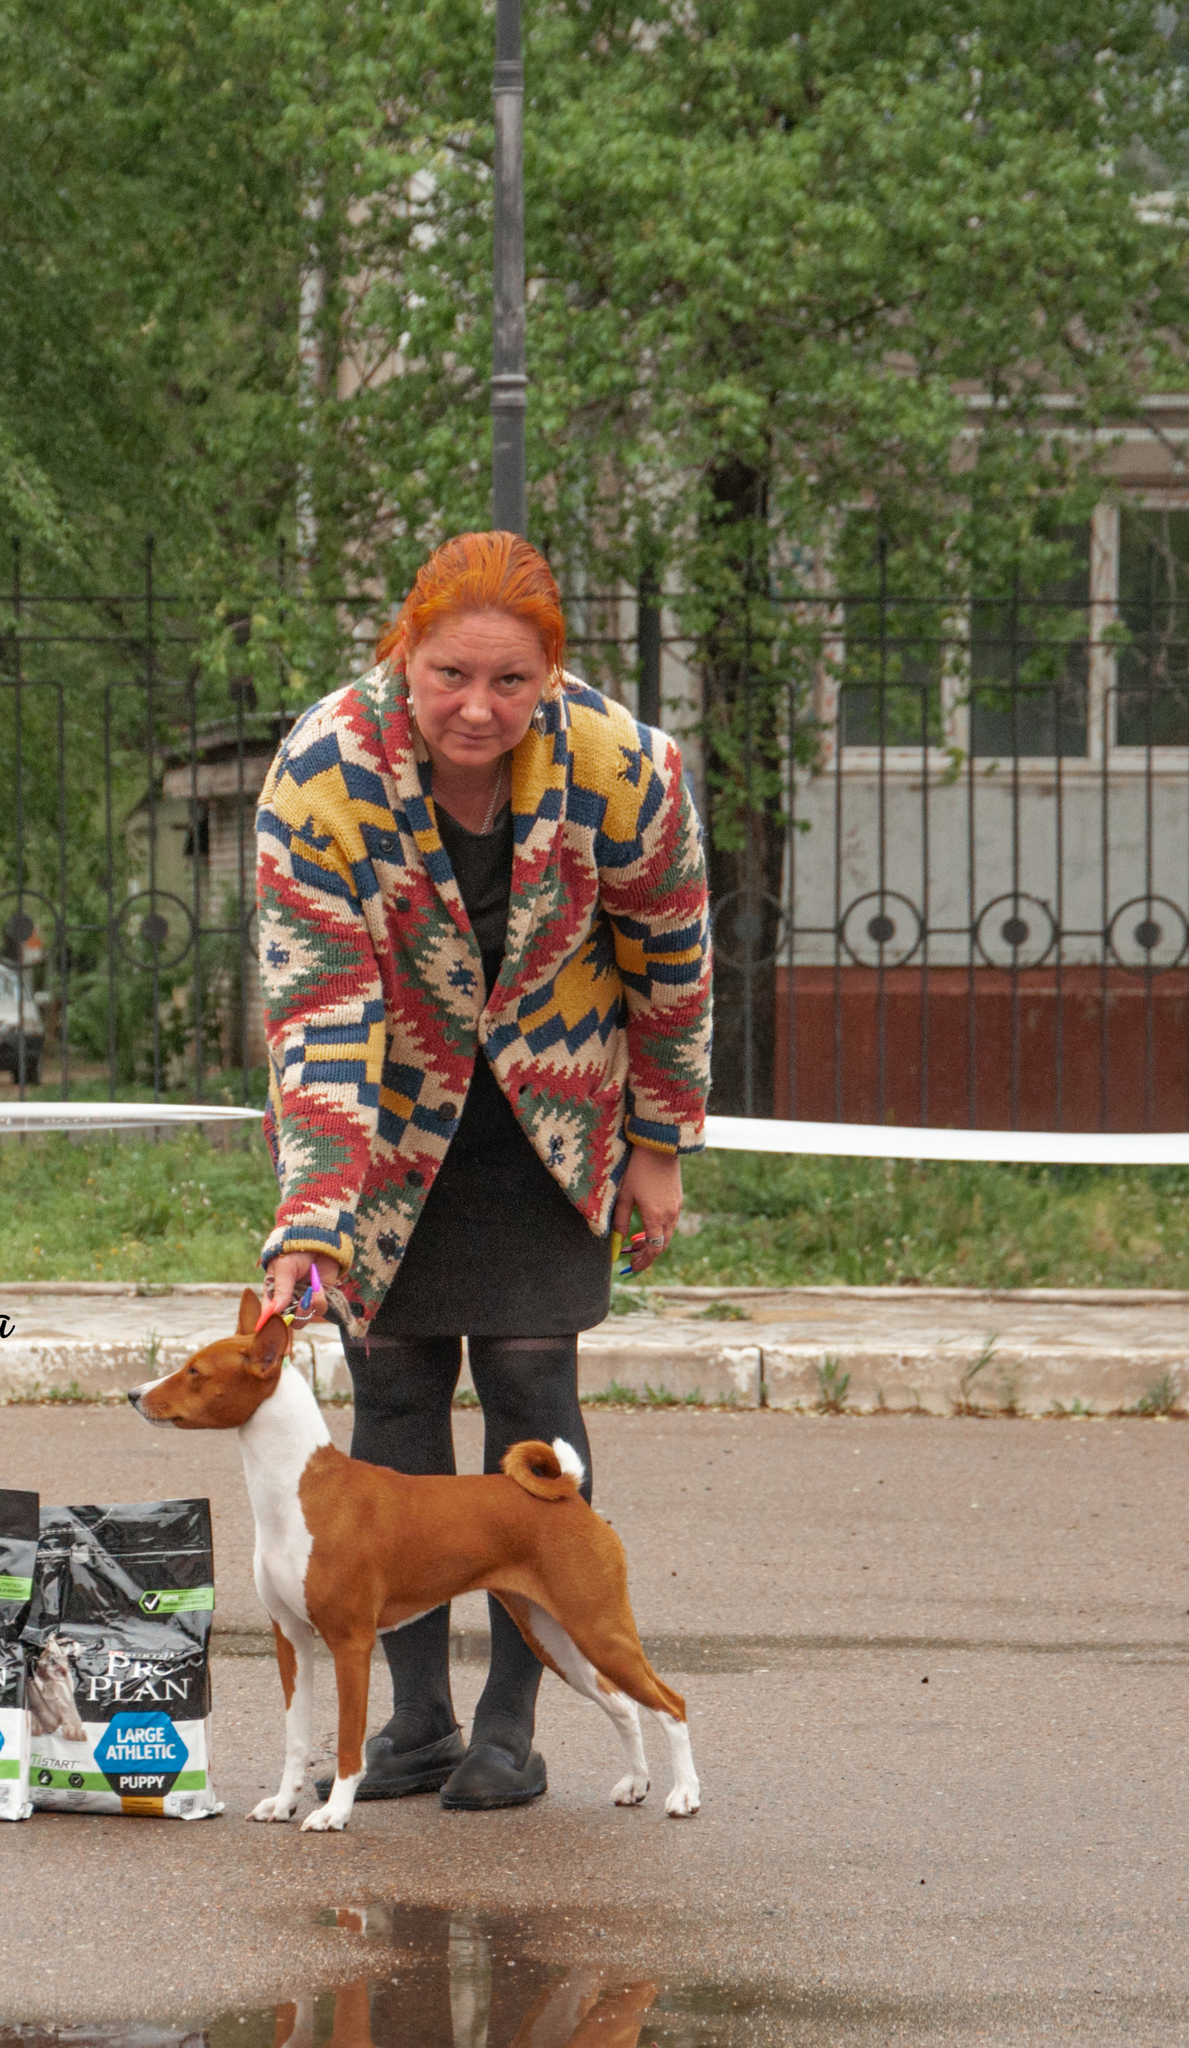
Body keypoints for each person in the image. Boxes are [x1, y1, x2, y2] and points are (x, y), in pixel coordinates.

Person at [253, 530, 711, 1809]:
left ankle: (514, 1724)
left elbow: (670, 965)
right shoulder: (323, 771)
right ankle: (411, 1721)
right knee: (390, 1392)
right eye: (449, 671)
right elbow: (319, 1007)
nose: (475, 706)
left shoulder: (625, 768)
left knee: (528, 1386)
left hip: (552, 1118)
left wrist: (660, 1144)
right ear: (403, 650)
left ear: (551, 675)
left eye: (511, 682)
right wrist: (312, 1222)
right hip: (385, 1119)